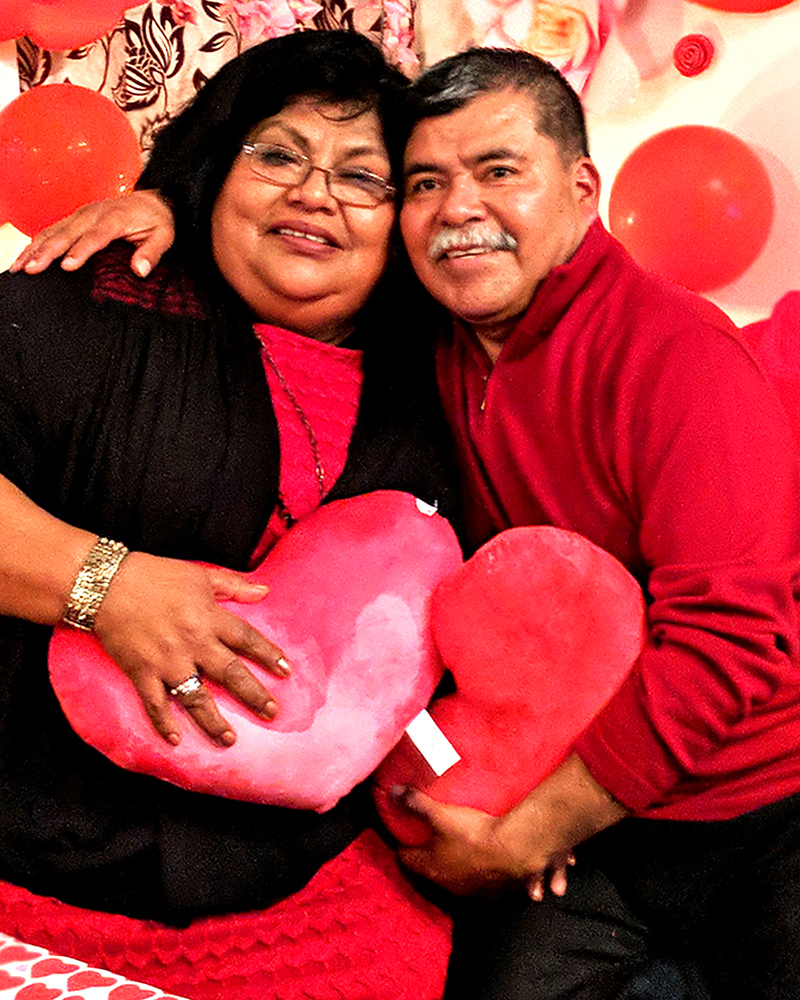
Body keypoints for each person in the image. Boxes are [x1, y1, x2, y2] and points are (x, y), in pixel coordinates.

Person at [34, 44, 800, 1000]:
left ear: (582, 188)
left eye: (499, 172)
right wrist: (170, 204)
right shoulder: (442, 342)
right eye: (427, 181)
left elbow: (733, 636)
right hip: (575, 803)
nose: (460, 209)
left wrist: (533, 826)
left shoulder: (676, 358)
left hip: (750, 802)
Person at [0, 29, 456, 997]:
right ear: (217, 169)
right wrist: (102, 584)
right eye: (278, 154)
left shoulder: (435, 395)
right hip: (32, 859)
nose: (314, 192)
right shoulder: (91, 297)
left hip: (306, 882)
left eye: (362, 176)